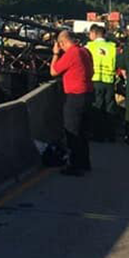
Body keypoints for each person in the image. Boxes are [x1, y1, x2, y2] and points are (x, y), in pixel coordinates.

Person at [51, 30, 93, 175]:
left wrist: (55, 54)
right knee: (83, 131)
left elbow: (54, 71)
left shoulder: (71, 53)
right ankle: (85, 162)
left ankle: (75, 165)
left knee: (72, 131)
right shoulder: (84, 51)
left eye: (60, 45)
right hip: (87, 93)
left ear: (62, 43)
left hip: (75, 96)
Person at [86, 25, 120, 141]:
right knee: (109, 106)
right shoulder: (112, 47)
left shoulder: (89, 46)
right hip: (109, 80)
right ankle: (110, 135)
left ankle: (98, 134)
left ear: (94, 34)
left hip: (95, 80)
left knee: (97, 107)